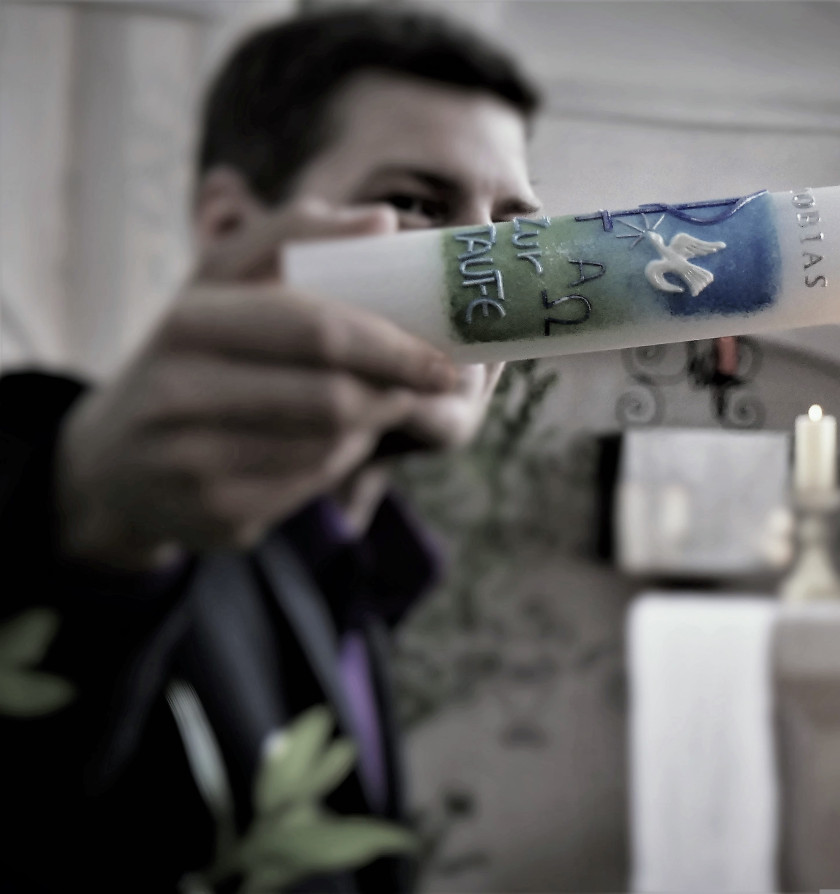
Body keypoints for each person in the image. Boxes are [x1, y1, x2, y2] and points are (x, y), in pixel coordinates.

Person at [0, 7, 541, 891]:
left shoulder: (368, 572)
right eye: (415, 203)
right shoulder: (110, 502)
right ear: (229, 229)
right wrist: (89, 521)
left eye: (516, 232)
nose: (488, 279)